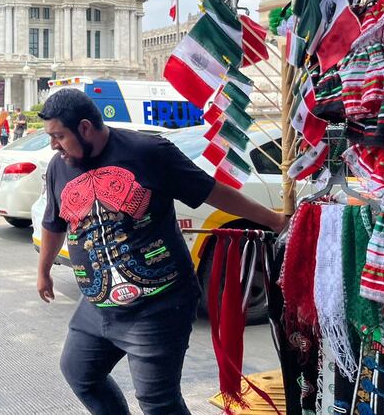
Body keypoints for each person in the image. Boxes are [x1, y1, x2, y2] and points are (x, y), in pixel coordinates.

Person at [36, 89, 285, 415]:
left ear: (85, 128)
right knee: (80, 373)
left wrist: (274, 220)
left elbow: (209, 191)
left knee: (158, 403)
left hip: (157, 306)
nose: (54, 145)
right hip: (97, 306)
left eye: (59, 136)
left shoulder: (147, 150)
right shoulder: (60, 165)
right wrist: (43, 271)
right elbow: (54, 223)